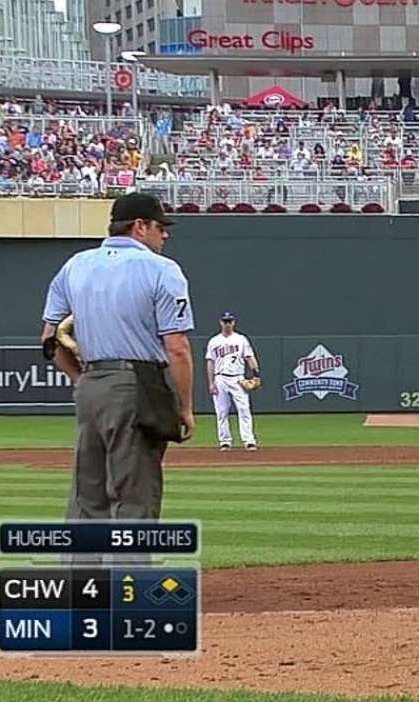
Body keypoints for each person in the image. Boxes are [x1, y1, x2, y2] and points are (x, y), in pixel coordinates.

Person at [40, 192, 195, 520]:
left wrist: (80, 380)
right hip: (136, 384)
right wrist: (184, 407)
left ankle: (82, 573)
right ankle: (129, 573)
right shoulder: (162, 269)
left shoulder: (76, 265)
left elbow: (49, 338)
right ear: (140, 226)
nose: (164, 234)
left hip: (90, 386)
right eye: (159, 226)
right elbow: (177, 346)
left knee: (87, 497)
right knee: (135, 494)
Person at [206, 312, 260, 451]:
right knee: (222, 412)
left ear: (234, 323)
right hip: (220, 378)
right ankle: (225, 441)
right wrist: (211, 383)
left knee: (244, 410)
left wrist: (256, 373)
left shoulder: (241, 339)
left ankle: (249, 441)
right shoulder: (214, 341)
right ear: (220, 323)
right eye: (225, 321)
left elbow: (249, 357)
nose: (227, 324)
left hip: (238, 378)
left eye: (229, 321)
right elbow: (210, 363)